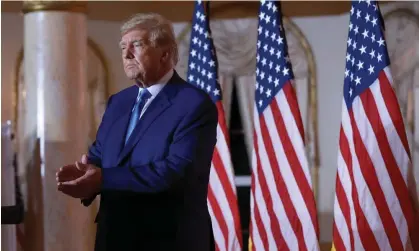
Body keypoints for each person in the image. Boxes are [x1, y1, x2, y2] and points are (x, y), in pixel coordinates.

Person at [56, 13, 218, 251]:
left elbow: (176, 170)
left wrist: (103, 178)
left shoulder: (193, 104)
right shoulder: (118, 103)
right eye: (123, 46)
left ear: (165, 54)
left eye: (137, 45)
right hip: (114, 237)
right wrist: (84, 171)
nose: (126, 54)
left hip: (169, 240)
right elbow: (101, 155)